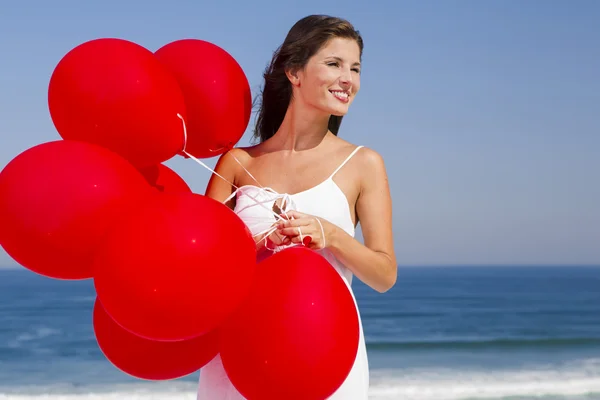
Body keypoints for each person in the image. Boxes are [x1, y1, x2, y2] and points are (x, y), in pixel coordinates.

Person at [196, 14, 397, 400]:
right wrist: (256, 247)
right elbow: (204, 271)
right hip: (238, 359)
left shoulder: (363, 164)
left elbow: (384, 274)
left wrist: (331, 235)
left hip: (323, 356)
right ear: (294, 71)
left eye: (355, 68)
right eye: (334, 64)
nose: (348, 80)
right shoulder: (237, 163)